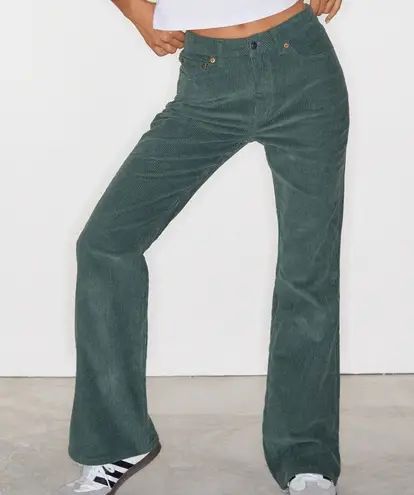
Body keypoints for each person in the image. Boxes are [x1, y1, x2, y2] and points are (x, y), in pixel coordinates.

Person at [59, 0, 348, 493]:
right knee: (106, 244)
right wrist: (133, 9)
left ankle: (307, 457)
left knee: (308, 271)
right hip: (210, 79)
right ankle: (116, 441)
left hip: (302, 66)